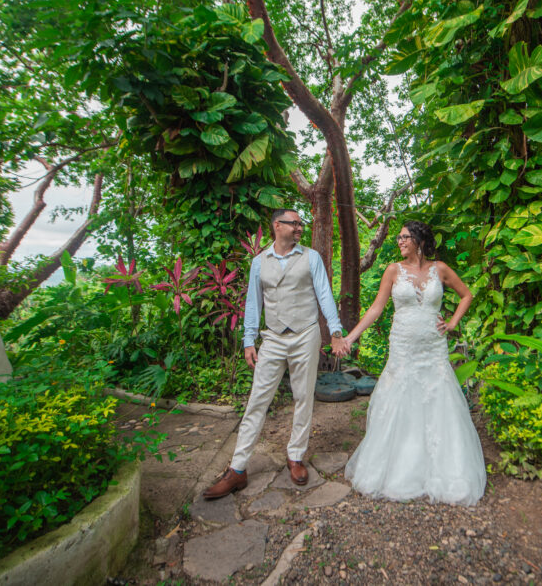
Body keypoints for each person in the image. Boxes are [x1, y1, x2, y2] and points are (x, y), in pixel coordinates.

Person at [203, 208, 347, 499]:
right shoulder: (259, 262)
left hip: (306, 334)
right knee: (258, 399)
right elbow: (254, 303)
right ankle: (238, 469)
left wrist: (335, 331)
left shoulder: (311, 257)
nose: (299, 228)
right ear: (276, 226)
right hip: (273, 338)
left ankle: (295, 457)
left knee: (303, 397)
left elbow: (324, 294)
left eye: (300, 224)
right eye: (294, 223)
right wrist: (248, 340)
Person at [342, 220, 486, 505]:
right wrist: (350, 337)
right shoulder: (393, 270)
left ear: (419, 241)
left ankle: (445, 469)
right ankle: (399, 468)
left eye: (405, 237)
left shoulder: (440, 269)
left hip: (433, 348)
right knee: (400, 398)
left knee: (438, 399)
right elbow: (376, 308)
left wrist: (454, 322)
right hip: (404, 347)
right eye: (398, 238)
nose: (399, 241)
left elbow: (466, 295)